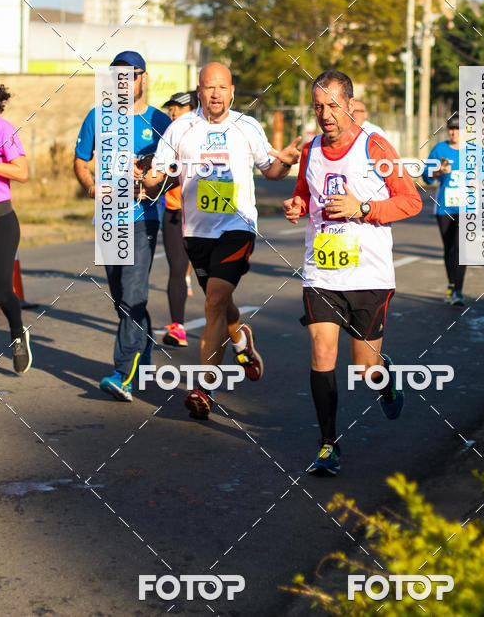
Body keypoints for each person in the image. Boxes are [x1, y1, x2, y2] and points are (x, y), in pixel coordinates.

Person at [283, 70, 422, 476]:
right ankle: (328, 444)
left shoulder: (375, 146)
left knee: (365, 367)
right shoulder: (310, 150)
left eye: (332, 106)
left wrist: (364, 208)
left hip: (368, 276)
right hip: (322, 273)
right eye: (318, 107)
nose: (325, 115)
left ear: (349, 105)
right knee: (322, 351)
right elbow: (304, 195)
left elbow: (410, 201)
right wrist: (295, 206)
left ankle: (386, 378)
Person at [145, 62, 301, 420]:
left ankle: (204, 387)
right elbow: (159, 173)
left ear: (232, 91)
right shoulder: (180, 127)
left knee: (214, 301)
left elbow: (271, 171)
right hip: (196, 231)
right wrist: (147, 177)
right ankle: (241, 338)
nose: (215, 93)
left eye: (221, 87)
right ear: (199, 91)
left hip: (237, 226)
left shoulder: (248, 127)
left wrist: (287, 162)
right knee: (219, 300)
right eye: (208, 87)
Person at [74, 51, 171, 401]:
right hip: (109, 218)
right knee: (121, 300)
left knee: (133, 295)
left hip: (143, 217)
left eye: (130, 76)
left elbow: (173, 174)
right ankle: (141, 354)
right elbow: (81, 161)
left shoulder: (160, 122)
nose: (123, 83)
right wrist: (90, 185)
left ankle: (123, 374)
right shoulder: (97, 117)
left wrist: (149, 179)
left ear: (143, 78)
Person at [0, 85, 31, 374]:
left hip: (1, 221)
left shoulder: (2, 129)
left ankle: (17, 332)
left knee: (1, 291)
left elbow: (21, 172)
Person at [160, 92, 194, 347]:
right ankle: (178, 326)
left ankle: (231, 327)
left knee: (214, 279)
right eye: (171, 108)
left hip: (204, 215)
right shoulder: (167, 137)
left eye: (178, 108)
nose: (173, 112)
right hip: (174, 211)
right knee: (177, 269)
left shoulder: (202, 136)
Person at [422, 114, 465, 306]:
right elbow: (427, 177)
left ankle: (458, 291)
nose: (454, 132)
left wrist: (477, 181)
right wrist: (439, 171)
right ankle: (451, 282)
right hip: (444, 206)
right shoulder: (439, 150)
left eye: (458, 129)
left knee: (460, 248)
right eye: (451, 129)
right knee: (449, 248)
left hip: (466, 207)